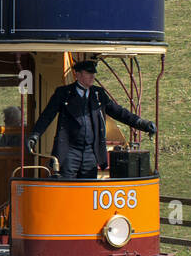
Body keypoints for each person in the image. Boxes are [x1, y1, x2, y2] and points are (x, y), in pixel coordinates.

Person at [26, 59, 157, 179]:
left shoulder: (98, 94)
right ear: (77, 74)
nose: (92, 76)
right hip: (69, 151)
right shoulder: (63, 93)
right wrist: (35, 135)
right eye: (88, 73)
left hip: (91, 152)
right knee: (66, 188)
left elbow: (119, 112)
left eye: (93, 73)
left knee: (88, 189)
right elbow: (47, 116)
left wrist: (142, 123)